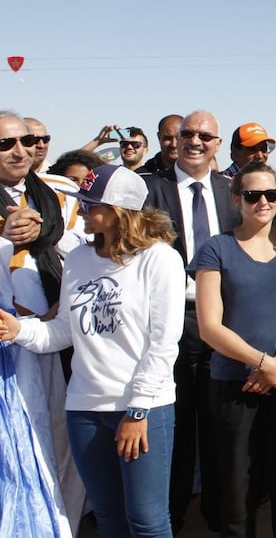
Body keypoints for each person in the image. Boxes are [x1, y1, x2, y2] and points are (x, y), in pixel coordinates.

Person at [0, 164, 186, 537]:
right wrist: (18, 330)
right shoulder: (81, 259)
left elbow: (164, 345)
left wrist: (137, 410)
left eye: (88, 204)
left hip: (142, 409)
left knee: (147, 522)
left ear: (117, 211)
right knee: (109, 520)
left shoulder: (160, 259)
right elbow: (65, 331)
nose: (80, 210)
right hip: (84, 410)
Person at [194, 162, 276, 537]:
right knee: (237, 486)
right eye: (252, 195)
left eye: (272, 195)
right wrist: (263, 363)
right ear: (236, 199)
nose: (263, 202)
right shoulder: (216, 248)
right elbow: (210, 327)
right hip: (234, 383)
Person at [142, 109, 240, 532]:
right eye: (187, 133)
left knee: (221, 424)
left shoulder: (232, 193)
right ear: (174, 140)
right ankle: (173, 513)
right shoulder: (150, 191)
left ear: (217, 145)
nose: (195, 140)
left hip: (223, 323)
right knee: (177, 426)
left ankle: (220, 511)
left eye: (205, 135)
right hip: (172, 324)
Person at [0, 112, 88, 530]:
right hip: (7, 345)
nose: (22, 150)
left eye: (29, 140)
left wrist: (60, 309)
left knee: (57, 440)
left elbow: (85, 253)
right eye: (7, 144)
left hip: (54, 338)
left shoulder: (58, 195)